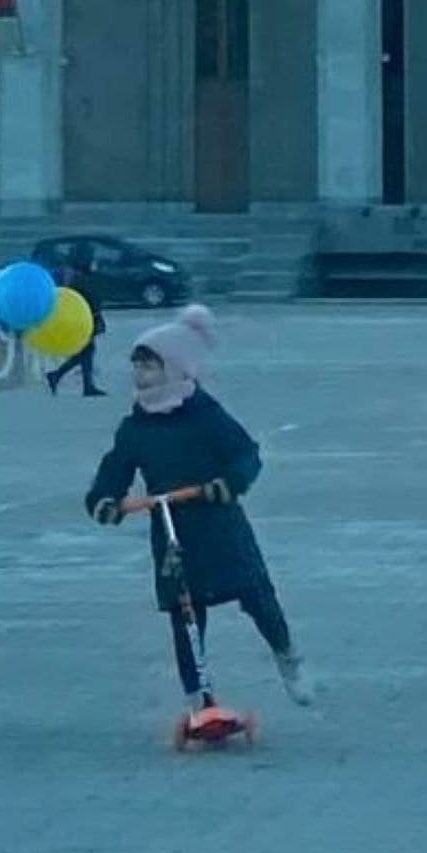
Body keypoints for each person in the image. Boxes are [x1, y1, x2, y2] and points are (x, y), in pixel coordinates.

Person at [83, 304, 315, 712]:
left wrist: (228, 484)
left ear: (173, 369)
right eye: (136, 367)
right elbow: (115, 469)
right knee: (185, 611)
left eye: (149, 367)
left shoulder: (205, 415)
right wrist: (105, 500)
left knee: (256, 594)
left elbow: (245, 455)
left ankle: (286, 654)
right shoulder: (135, 427)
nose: (139, 375)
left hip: (218, 521)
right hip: (172, 529)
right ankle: (199, 699)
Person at [46, 243, 107, 397]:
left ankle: (82, 383)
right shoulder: (79, 276)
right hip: (84, 319)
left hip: (84, 318)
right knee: (85, 352)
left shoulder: (72, 273)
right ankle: (60, 376)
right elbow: (89, 298)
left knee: (86, 352)